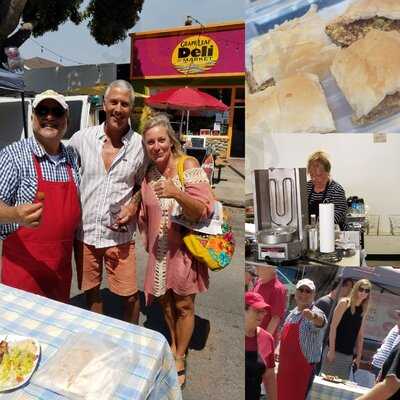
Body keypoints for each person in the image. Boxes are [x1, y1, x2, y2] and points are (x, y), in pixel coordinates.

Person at [138, 113, 215, 388]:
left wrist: (177, 192)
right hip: (159, 252)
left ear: (171, 141)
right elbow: (145, 208)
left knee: (184, 304)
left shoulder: (188, 164)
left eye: (161, 140)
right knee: (164, 301)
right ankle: (172, 340)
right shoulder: (149, 173)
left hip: (184, 251)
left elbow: (204, 208)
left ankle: (179, 355)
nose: (156, 146)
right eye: (150, 142)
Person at [69, 80, 145, 324]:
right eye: (114, 102)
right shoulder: (81, 139)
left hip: (119, 237)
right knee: (91, 291)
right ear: (104, 104)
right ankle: (97, 334)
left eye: (125, 104)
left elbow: (149, 181)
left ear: (131, 109)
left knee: (130, 296)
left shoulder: (140, 145)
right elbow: (62, 168)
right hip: (86, 233)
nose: (118, 109)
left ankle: (132, 338)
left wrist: (135, 202)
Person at [0, 90, 80, 302]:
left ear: (66, 120)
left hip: (59, 277)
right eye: (43, 110)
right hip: (22, 279)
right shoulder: (13, 155)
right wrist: (15, 214)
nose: (50, 117)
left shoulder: (72, 158)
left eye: (57, 111)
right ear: (33, 117)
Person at [276, 278, 327, 400]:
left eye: (308, 291)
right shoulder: (291, 314)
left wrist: (312, 316)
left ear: (314, 294)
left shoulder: (316, 312)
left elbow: (321, 322)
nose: (304, 294)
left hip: (301, 372)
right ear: (295, 292)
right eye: (301, 290)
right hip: (284, 370)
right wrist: (277, 349)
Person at [321, 278, 372, 380]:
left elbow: (360, 335)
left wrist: (358, 357)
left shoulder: (363, 309)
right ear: (356, 289)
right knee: (326, 382)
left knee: (340, 388)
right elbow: (333, 327)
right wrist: (331, 350)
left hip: (348, 356)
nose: (363, 292)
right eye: (361, 289)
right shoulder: (344, 303)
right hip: (334, 352)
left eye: (367, 291)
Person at [315, 277, 354, 373]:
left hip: (324, 348)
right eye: (349, 287)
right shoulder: (324, 302)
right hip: (316, 347)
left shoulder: (338, 304)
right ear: (341, 286)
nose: (350, 291)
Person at [245, 292, 277, 400]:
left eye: (263, 311)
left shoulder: (267, 339)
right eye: (257, 311)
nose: (262, 315)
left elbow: (269, 376)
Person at [307, 150, 348, 230]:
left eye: (318, 175)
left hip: (331, 233)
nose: (314, 179)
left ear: (327, 172)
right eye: (312, 175)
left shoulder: (336, 190)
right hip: (311, 232)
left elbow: (339, 214)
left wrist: (320, 226)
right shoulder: (307, 188)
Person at [251, 265, 287, 342]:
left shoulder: (278, 289)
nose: (256, 268)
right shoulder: (258, 283)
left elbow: (275, 318)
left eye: (259, 266)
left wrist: (262, 341)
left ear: (271, 268)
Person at [371, 311, 400, 378]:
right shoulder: (397, 329)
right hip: (382, 364)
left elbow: (385, 342)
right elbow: (393, 350)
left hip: (379, 363)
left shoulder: (396, 328)